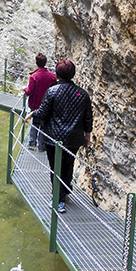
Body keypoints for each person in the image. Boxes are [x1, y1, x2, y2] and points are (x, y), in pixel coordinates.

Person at [25, 60, 93, 214]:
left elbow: (43, 112)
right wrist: (87, 136)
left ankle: (59, 199)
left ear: (57, 74)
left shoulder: (53, 91)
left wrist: (32, 113)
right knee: (68, 164)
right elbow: (88, 117)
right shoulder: (82, 94)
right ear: (73, 74)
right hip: (74, 138)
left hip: (54, 138)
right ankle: (66, 189)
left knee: (56, 168)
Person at [22, 53, 57, 151]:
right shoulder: (52, 76)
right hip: (48, 105)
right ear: (45, 63)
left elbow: (30, 92)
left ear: (36, 63)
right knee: (43, 125)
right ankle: (41, 146)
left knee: (35, 123)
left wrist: (24, 89)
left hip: (36, 104)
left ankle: (32, 142)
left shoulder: (34, 76)